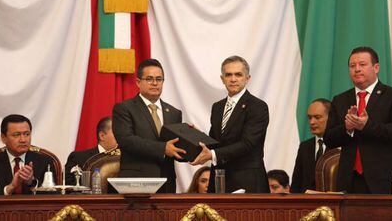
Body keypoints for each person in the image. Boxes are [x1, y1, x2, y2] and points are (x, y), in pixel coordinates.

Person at [324, 46, 392, 194]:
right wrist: (347, 128)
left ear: (376, 68)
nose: (357, 69)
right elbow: (329, 139)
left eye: (362, 64)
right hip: (349, 181)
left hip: (385, 180)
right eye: (352, 66)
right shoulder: (340, 100)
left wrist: (367, 125)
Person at [191, 56, 269, 193]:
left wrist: (212, 154)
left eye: (238, 74)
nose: (233, 79)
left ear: (247, 78)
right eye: (228, 75)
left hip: (247, 182)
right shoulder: (218, 107)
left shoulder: (257, 106)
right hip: (219, 180)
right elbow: (216, 141)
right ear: (222, 79)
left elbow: (247, 143)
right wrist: (198, 138)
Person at [112, 59, 185, 193]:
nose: (155, 83)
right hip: (136, 183)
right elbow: (126, 140)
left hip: (166, 184)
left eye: (159, 79)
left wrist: (193, 142)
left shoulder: (174, 113)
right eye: (149, 79)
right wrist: (163, 148)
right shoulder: (124, 108)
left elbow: (175, 148)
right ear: (138, 82)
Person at [0, 114, 56, 195]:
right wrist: (10, 188)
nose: (23, 140)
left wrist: (31, 183)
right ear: (3, 138)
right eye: (16, 135)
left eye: (27, 134)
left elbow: (52, 197)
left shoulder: (45, 162)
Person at [291, 98, 331, 193]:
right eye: (310, 117)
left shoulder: (341, 145)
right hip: (306, 205)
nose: (312, 122)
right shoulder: (305, 147)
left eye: (317, 117)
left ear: (331, 117)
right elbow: (296, 183)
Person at [64, 117, 117, 185]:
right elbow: (68, 186)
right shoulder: (78, 158)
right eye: (117, 132)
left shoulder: (126, 160)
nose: (121, 137)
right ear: (102, 136)